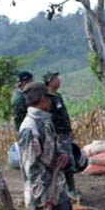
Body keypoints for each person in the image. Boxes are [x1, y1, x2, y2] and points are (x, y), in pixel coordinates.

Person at [18, 82, 105, 210]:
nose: (50, 101)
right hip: (45, 190)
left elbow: (50, 148)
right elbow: (30, 166)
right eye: (48, 98)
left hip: (55, 184)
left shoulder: (43, 121)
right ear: (42, 100)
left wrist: (61, 156)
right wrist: (43, 195)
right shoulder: (30, 128)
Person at [43, 71, 81, 201]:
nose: (58, 80)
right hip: (57, 135)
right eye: (55, 78)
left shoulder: (57, 96)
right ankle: (68, 191)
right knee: (63, 162)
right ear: (50, 81)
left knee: (69, 161)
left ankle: (71, 189)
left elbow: (63, 115)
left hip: (64, 133)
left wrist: (69, 130)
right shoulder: (47, 98)